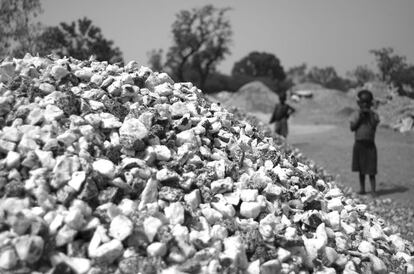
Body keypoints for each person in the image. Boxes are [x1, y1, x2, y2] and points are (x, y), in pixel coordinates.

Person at [350, 89, 380, 196]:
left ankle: (373, 190)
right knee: (361, 169)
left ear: (371, 103)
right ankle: (362, 189)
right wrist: (360, 118)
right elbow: (352, 128)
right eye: (363, 103)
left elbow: (374, 125)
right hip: (359, 144)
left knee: (371, 169)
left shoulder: (374, 115)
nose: (365, 105)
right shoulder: (356, 114)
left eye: (367, 103)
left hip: (370, 145)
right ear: (359, 103)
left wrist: (369, 115)